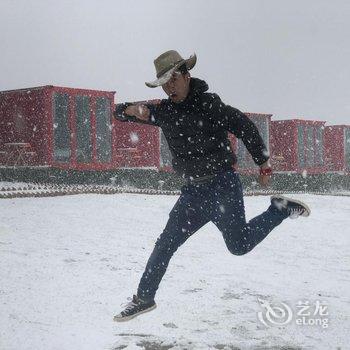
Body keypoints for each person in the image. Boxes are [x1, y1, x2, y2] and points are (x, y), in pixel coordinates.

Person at [113, 50, 310, 322]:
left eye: (174, 79)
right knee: (165, 243)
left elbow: (244, 126)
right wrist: (129, 109)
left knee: (239, 246)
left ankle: (278, 209)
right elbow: (119, 112)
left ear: (186, 75)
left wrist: (262, 162)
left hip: (222, 187)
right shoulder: (164, 112)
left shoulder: (210, 106)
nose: (170, 86)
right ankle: (144, 298)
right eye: (165, 82)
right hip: (193, 193)